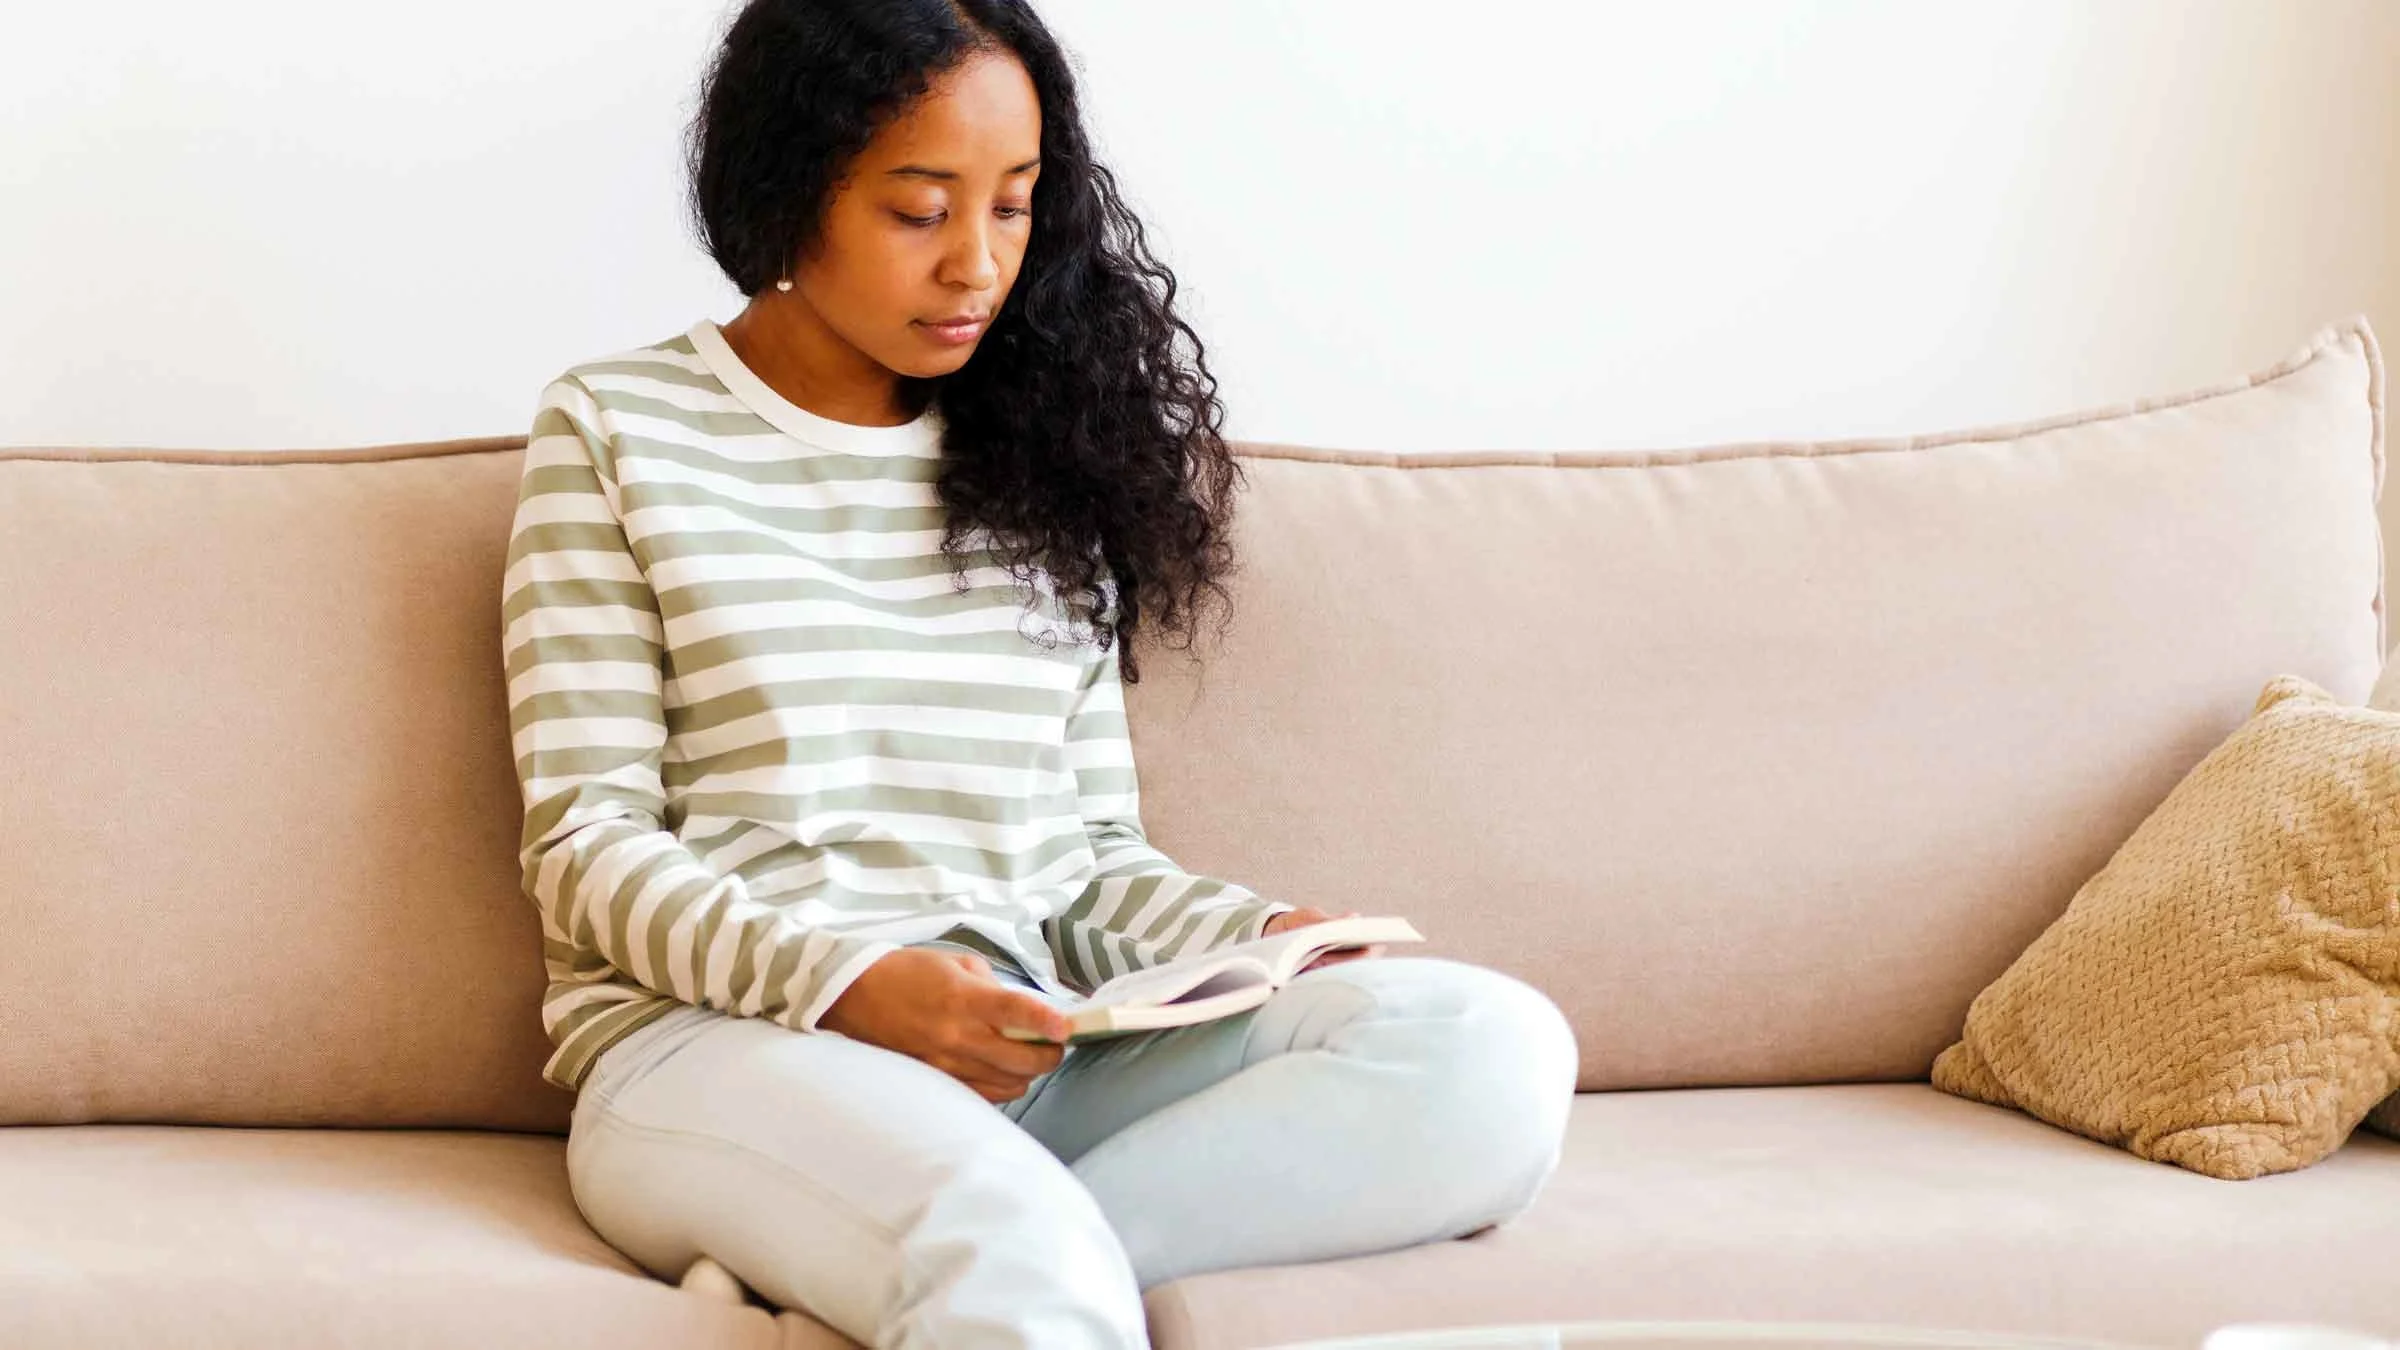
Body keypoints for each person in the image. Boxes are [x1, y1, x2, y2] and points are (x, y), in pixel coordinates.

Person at [498, 2, 1578, 1345]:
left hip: (1030, 1048)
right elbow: (588, 842)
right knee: (1007, 1235)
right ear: (789, 188)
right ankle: (979, 1251)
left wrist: (1251, 938)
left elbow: (1083, 866)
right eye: (919, 210)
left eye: (1013, 206)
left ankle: (926, 1269)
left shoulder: (1041, 452)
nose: (978, 264)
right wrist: (856, 985)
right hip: (722, 1048)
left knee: (1487, 1051)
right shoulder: (617, 428)